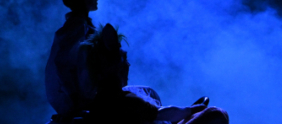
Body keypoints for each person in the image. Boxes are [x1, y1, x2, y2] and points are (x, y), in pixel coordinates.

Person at [82, 24, 229, 124]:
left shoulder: (101, 100)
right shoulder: (122, 100)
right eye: (124, 60)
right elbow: (165, 113)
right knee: (217, 114)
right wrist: (192, 109)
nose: (128, 65)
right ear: (113, 66)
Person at [45, 0, 100, 123]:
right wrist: (74, 97)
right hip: (71, 99)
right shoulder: (76, 26)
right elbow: (61, 63)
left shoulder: (81, 25)